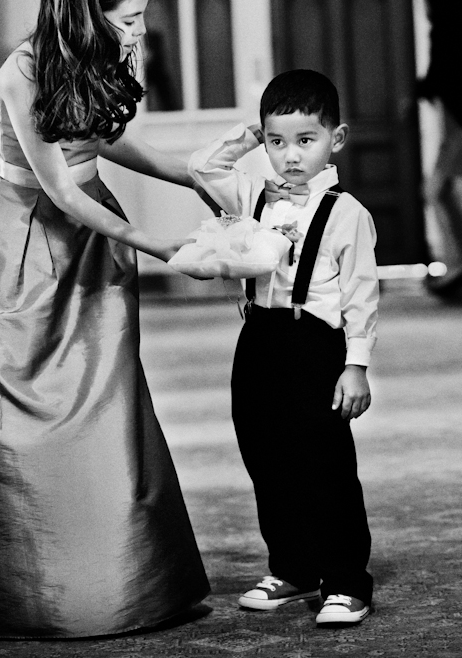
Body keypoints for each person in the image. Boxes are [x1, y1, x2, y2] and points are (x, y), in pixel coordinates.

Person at [0, 0, 211, 639]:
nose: (141, 29)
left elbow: (99, 139)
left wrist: (190, 175)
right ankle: (39, 590)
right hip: (30, 238)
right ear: (85, 9)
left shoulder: (100, 53)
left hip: (97, 226)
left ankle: (130, 579)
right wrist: (159, 244)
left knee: (109, 396)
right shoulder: (17, 74)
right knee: (31, 409)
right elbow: (58, 188)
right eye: (131, 16)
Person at [188, 69, 378, 625]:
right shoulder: (254, 195)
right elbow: (204, 165)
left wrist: (356, 367)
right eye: (278, 142)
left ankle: (345, 580)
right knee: (264, 454)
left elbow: (361, 296)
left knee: (325, 463)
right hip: (259, 337)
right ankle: (293, 567)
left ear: (335, 140)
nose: (291, 156)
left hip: (316, 342)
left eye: (306, 140)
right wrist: (254, 134)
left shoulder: (349, 214)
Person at [417, 0, 462, 304]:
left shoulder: (448, 30)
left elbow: (440, 77)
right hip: (459, 123)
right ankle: (461, 266)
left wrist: (417, 89)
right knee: (438, 191)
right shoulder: (461, 29)